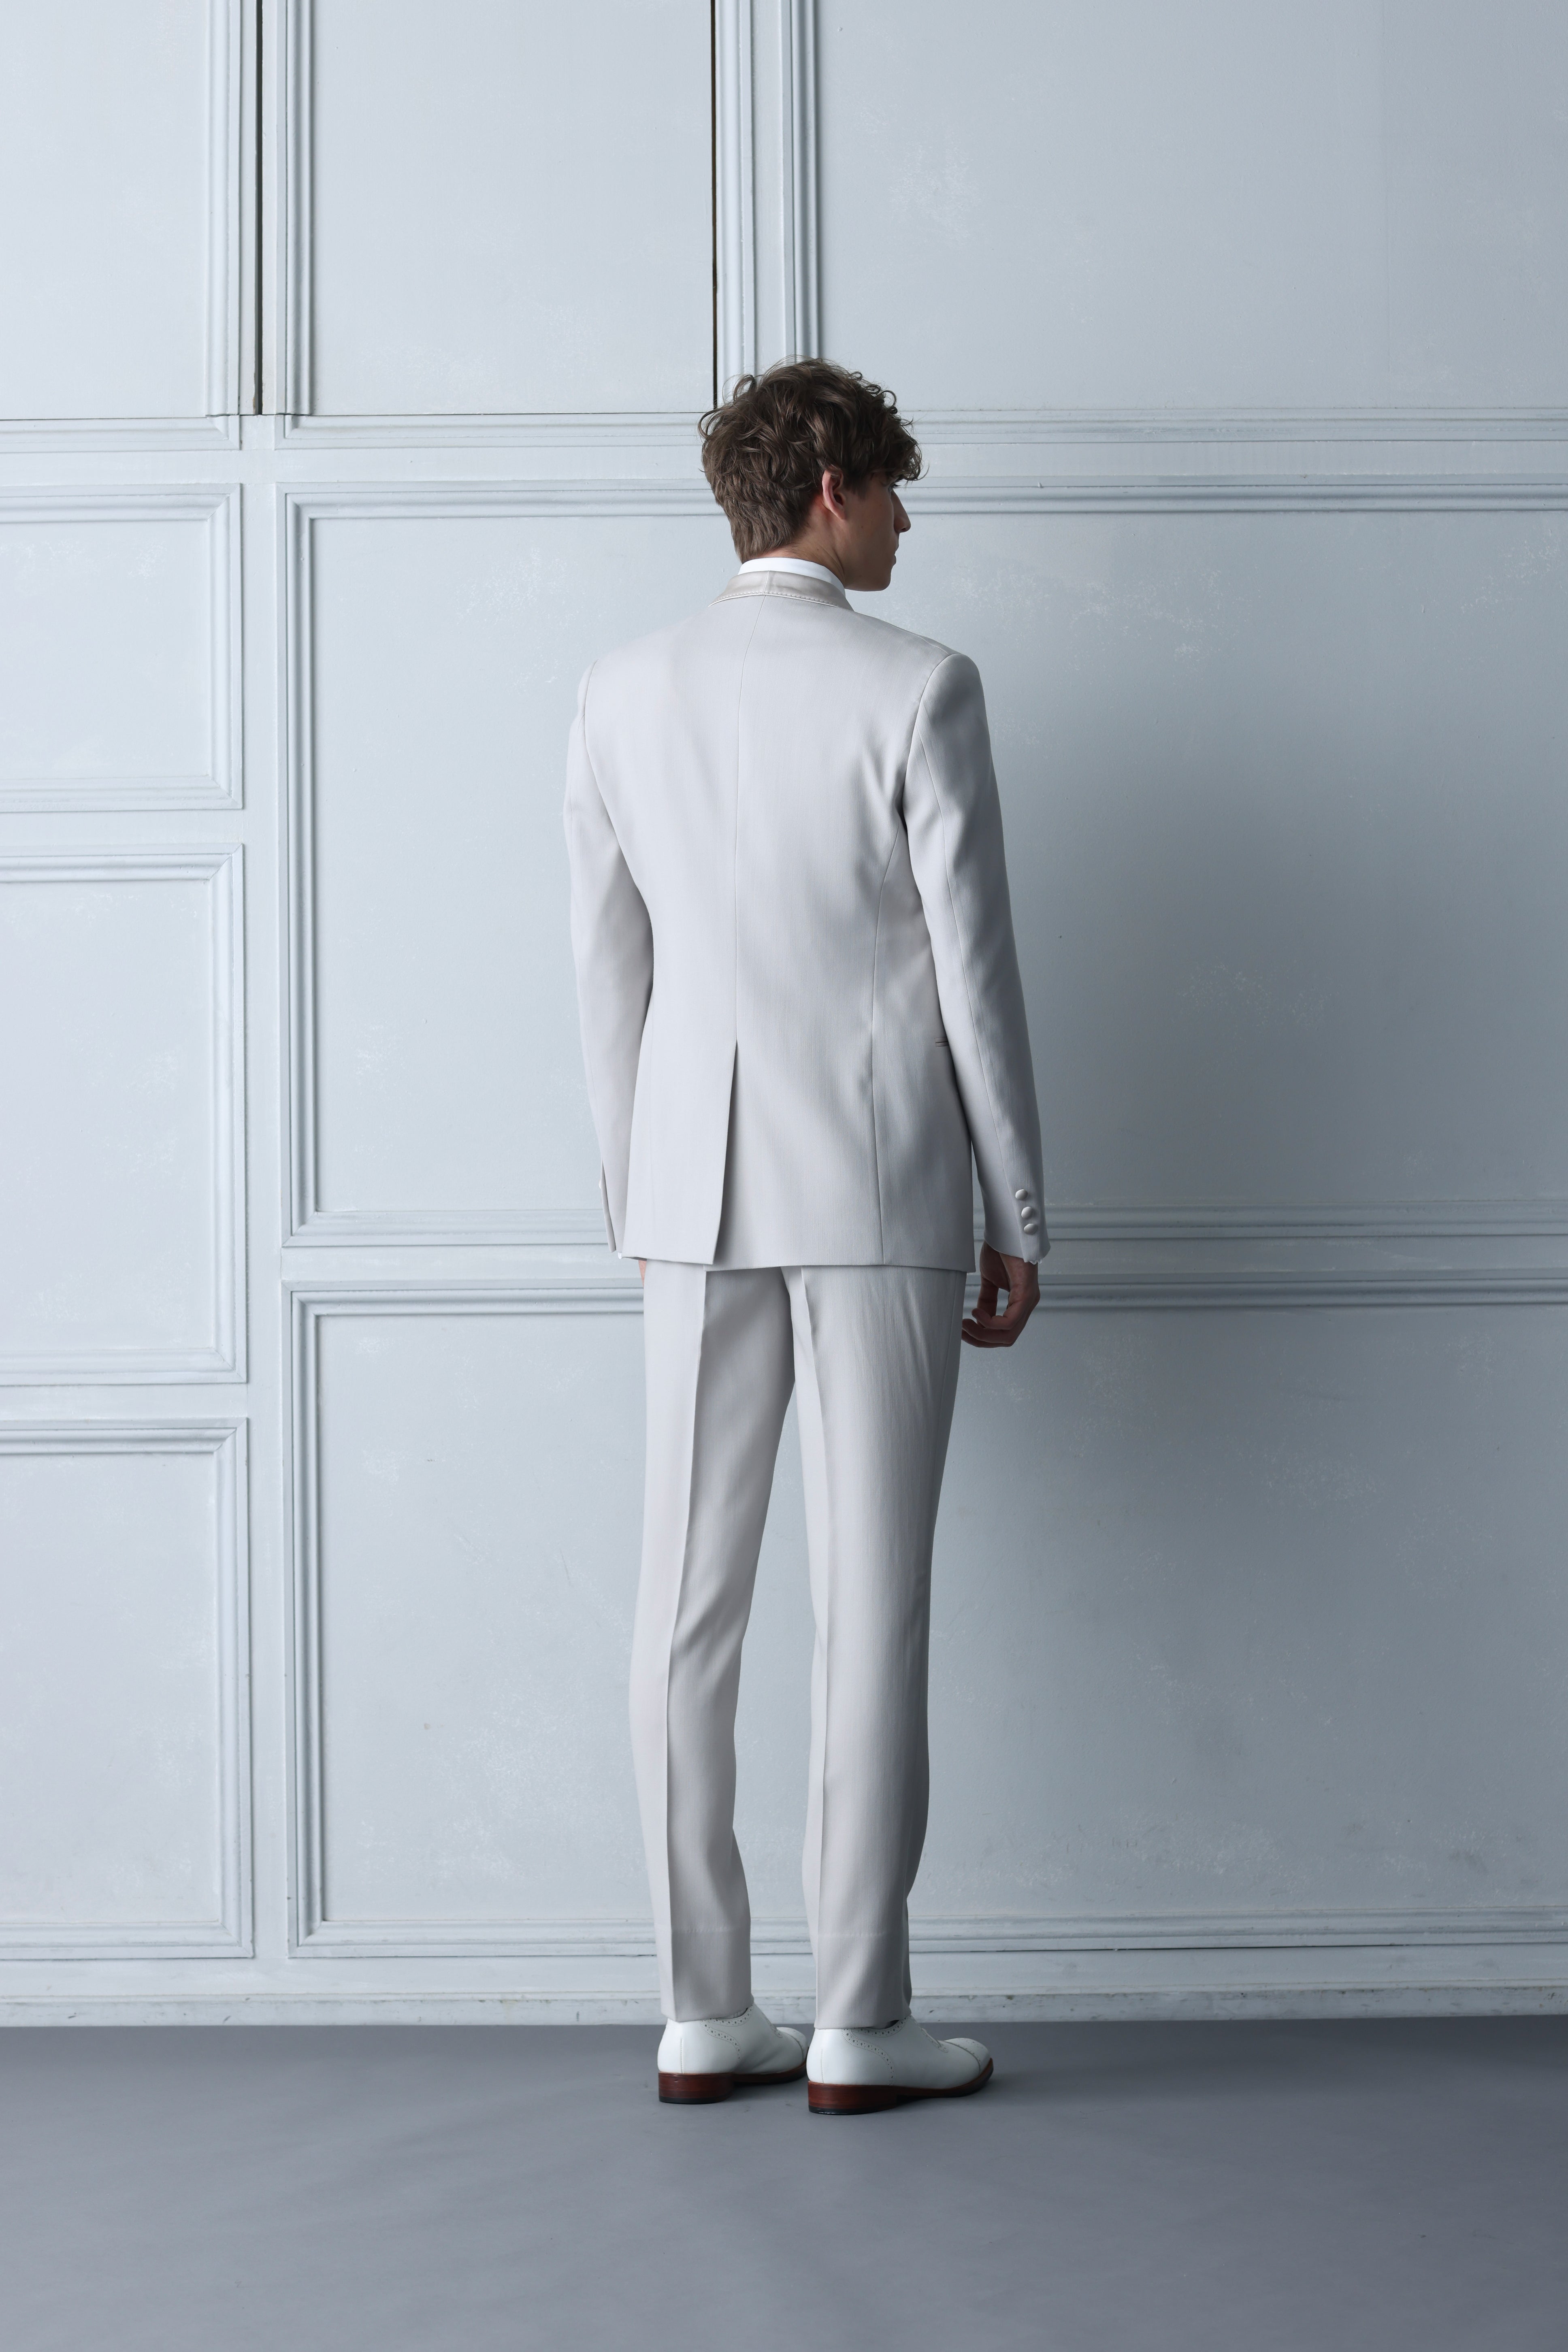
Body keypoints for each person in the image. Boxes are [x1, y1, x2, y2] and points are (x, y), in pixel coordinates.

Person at [564, 359, 1044, 2116]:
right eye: (895, 488)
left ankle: (702, 2009)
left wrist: (635, 1194)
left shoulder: (620, 690)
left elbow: (605, 973)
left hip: (689, 1198)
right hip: (880, 1181)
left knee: (684, 1607)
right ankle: (857, 2017)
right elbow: (971, 976)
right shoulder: (920, 686)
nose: (906, 521)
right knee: (871, 1605)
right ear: (832, 485)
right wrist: (1019, 1207)